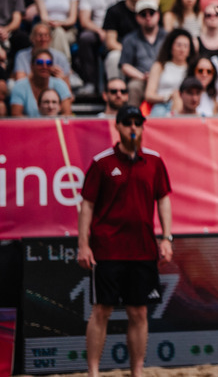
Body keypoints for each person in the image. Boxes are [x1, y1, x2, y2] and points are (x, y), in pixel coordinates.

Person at [77, 105, 173, 377]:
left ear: (142, 127)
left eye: (137, 123)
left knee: (139, 312)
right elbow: (87, 205)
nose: (133, 127)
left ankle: (137, 372)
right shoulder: (102, 162)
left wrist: (166, 238)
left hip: (142, 249)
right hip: (107, 248)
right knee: (101, 311)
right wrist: (83, 245)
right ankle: (93, 372)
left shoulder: (154, 161)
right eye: (128, 123)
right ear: (117, 127)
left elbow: (163, 200)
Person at [120, 0, 167, 107]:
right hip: (141, 78)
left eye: (151, 13)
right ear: (137, 18)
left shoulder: (167, 37)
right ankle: (132, 118)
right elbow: (125, 65)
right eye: (143, 14)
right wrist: (142, 76)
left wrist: (157, 76)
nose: (148, 17)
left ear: (158, 15)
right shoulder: (130, 39)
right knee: (133, 87)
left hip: (165, 77)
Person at [144, 29, 195, 116]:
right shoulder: (159, 66)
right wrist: (168, 97)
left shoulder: (192, 69)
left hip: (185, 108)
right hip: (161, 105)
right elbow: (148, 95)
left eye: (186, 46)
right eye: (179, 45)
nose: (182, 49)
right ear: (171, 47)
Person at [9, 48, 73, 117]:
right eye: (40, 63)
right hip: (28, 127)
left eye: (48, 63)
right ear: (32, 66)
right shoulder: (19, 86)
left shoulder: (60, 85)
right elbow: (16, 116)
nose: (44, 66)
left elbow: (67, 114)